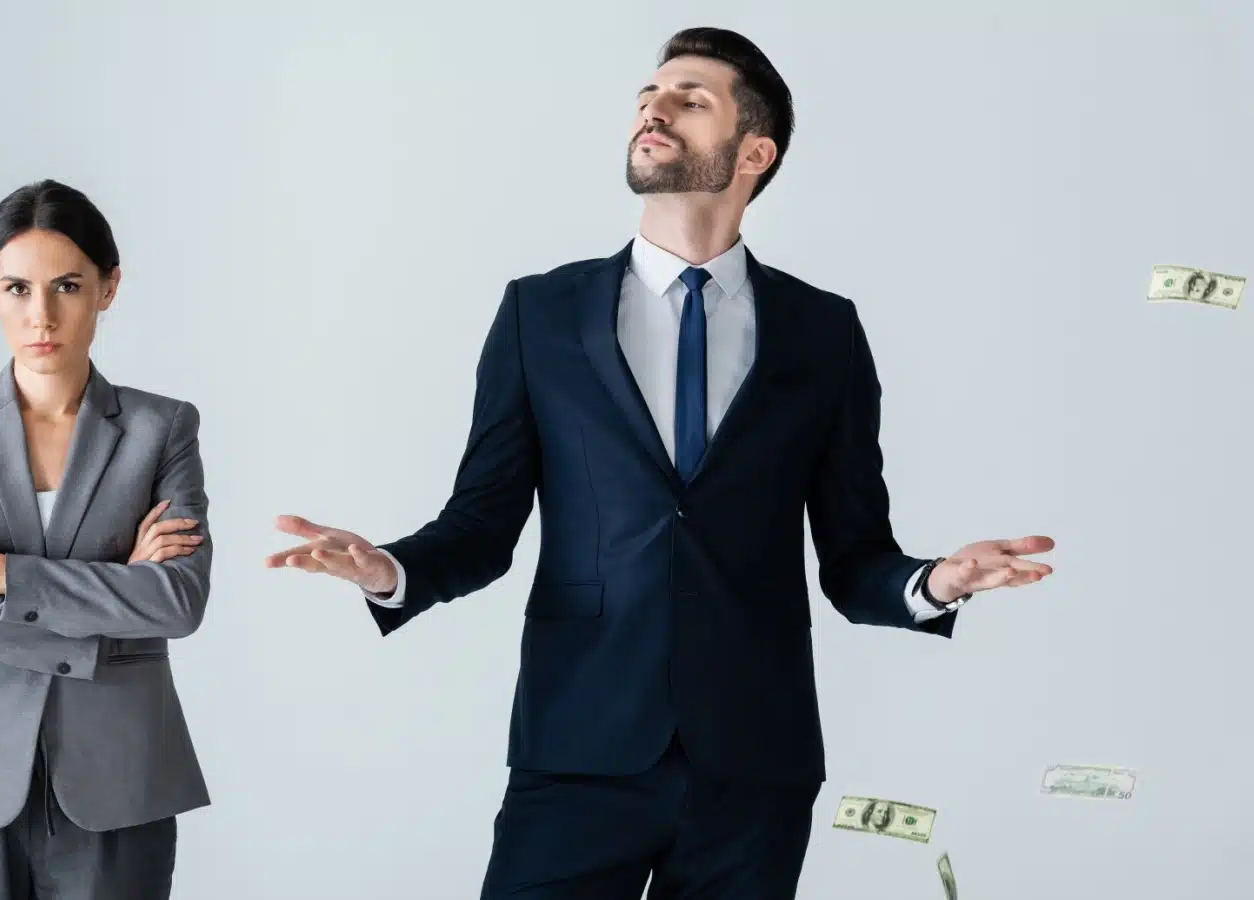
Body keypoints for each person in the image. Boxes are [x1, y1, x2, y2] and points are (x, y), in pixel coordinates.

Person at [267, 26, 1055, 899]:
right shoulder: (541, 314)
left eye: (691, 98)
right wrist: (393, 569)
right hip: (577, 747)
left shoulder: (823, 333)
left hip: (756, 762)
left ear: (754, 151)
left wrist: (934, 583)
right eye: (649, 94)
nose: (655, 108)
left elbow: (855, 557)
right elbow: (483, 522)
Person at [0, 179, 212, 899]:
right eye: (17, 287)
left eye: (67, 285)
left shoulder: (164, 430)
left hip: (118, 786)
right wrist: (113, 599)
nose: (42, 315)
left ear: (108, 287)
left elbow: (178, 602)